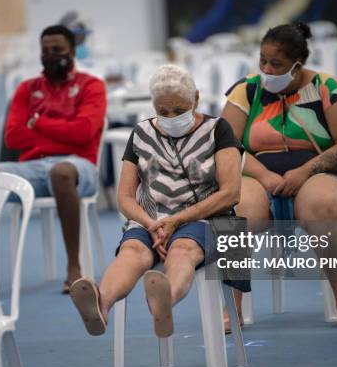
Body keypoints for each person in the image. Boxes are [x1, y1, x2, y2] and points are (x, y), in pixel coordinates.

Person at [69, 64, 242, 337]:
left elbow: (231, 192)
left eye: (179, 110)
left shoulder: (218, 129)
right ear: (153, 105)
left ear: (196, 99)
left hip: (205, 219)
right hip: (152, 220)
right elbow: (124, 198)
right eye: (163, 111)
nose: (171, 117)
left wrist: (176, 220)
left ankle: (165, 302)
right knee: (132, 252)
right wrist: (151, 224)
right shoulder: (140, 133)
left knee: (182, 249)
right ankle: (100, 305)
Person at [222, 22, 337, 329]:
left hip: (318, 171)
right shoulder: (246, 89)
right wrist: (263, 175)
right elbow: (224, 145)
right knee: (235, 213)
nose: (266, 68)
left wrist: (304, 171)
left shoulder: (328, 88)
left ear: (297, 65)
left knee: (324, 206)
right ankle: (229, 307)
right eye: (262, 60)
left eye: (276, 64)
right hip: (256, 174)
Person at [0, 25, 107, 293]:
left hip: (80, 167)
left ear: (72, 51)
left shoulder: (91, 86)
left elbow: (84, 132)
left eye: (57, 50)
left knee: (60, 172)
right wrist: (61, 132)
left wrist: (39, 123)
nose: (50, 55)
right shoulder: (27, 89)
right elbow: (13, 138)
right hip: (33, 168)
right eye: (45, 51)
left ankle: (74, 268)